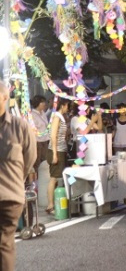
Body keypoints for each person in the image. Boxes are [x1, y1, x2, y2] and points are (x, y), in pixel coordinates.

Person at [0, 81, 36, 271]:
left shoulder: (19, 127)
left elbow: (30, 157)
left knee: (4, 241)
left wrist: (17, 178)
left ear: (5, 98)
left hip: (9, 197)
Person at [45, 98, 71, 215]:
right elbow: (53, 136)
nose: (68, 108)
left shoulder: (61, 117)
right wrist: (55, 154)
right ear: (63, 105)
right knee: (54, 177)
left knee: (59, 177)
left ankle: (56, 202)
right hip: (56, 150)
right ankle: (50, 205)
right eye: (67, 106)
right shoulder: (56, 117)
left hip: (62, 150)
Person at [30, 95, 50, 178]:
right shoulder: (32, 115)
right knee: (37, 162)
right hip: (37, 142)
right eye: (42, 102)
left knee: (45, 162)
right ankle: (36, 181)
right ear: (38, 103)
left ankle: (44, 178)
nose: (44, 104)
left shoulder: (43, 113)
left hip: (46, 140)